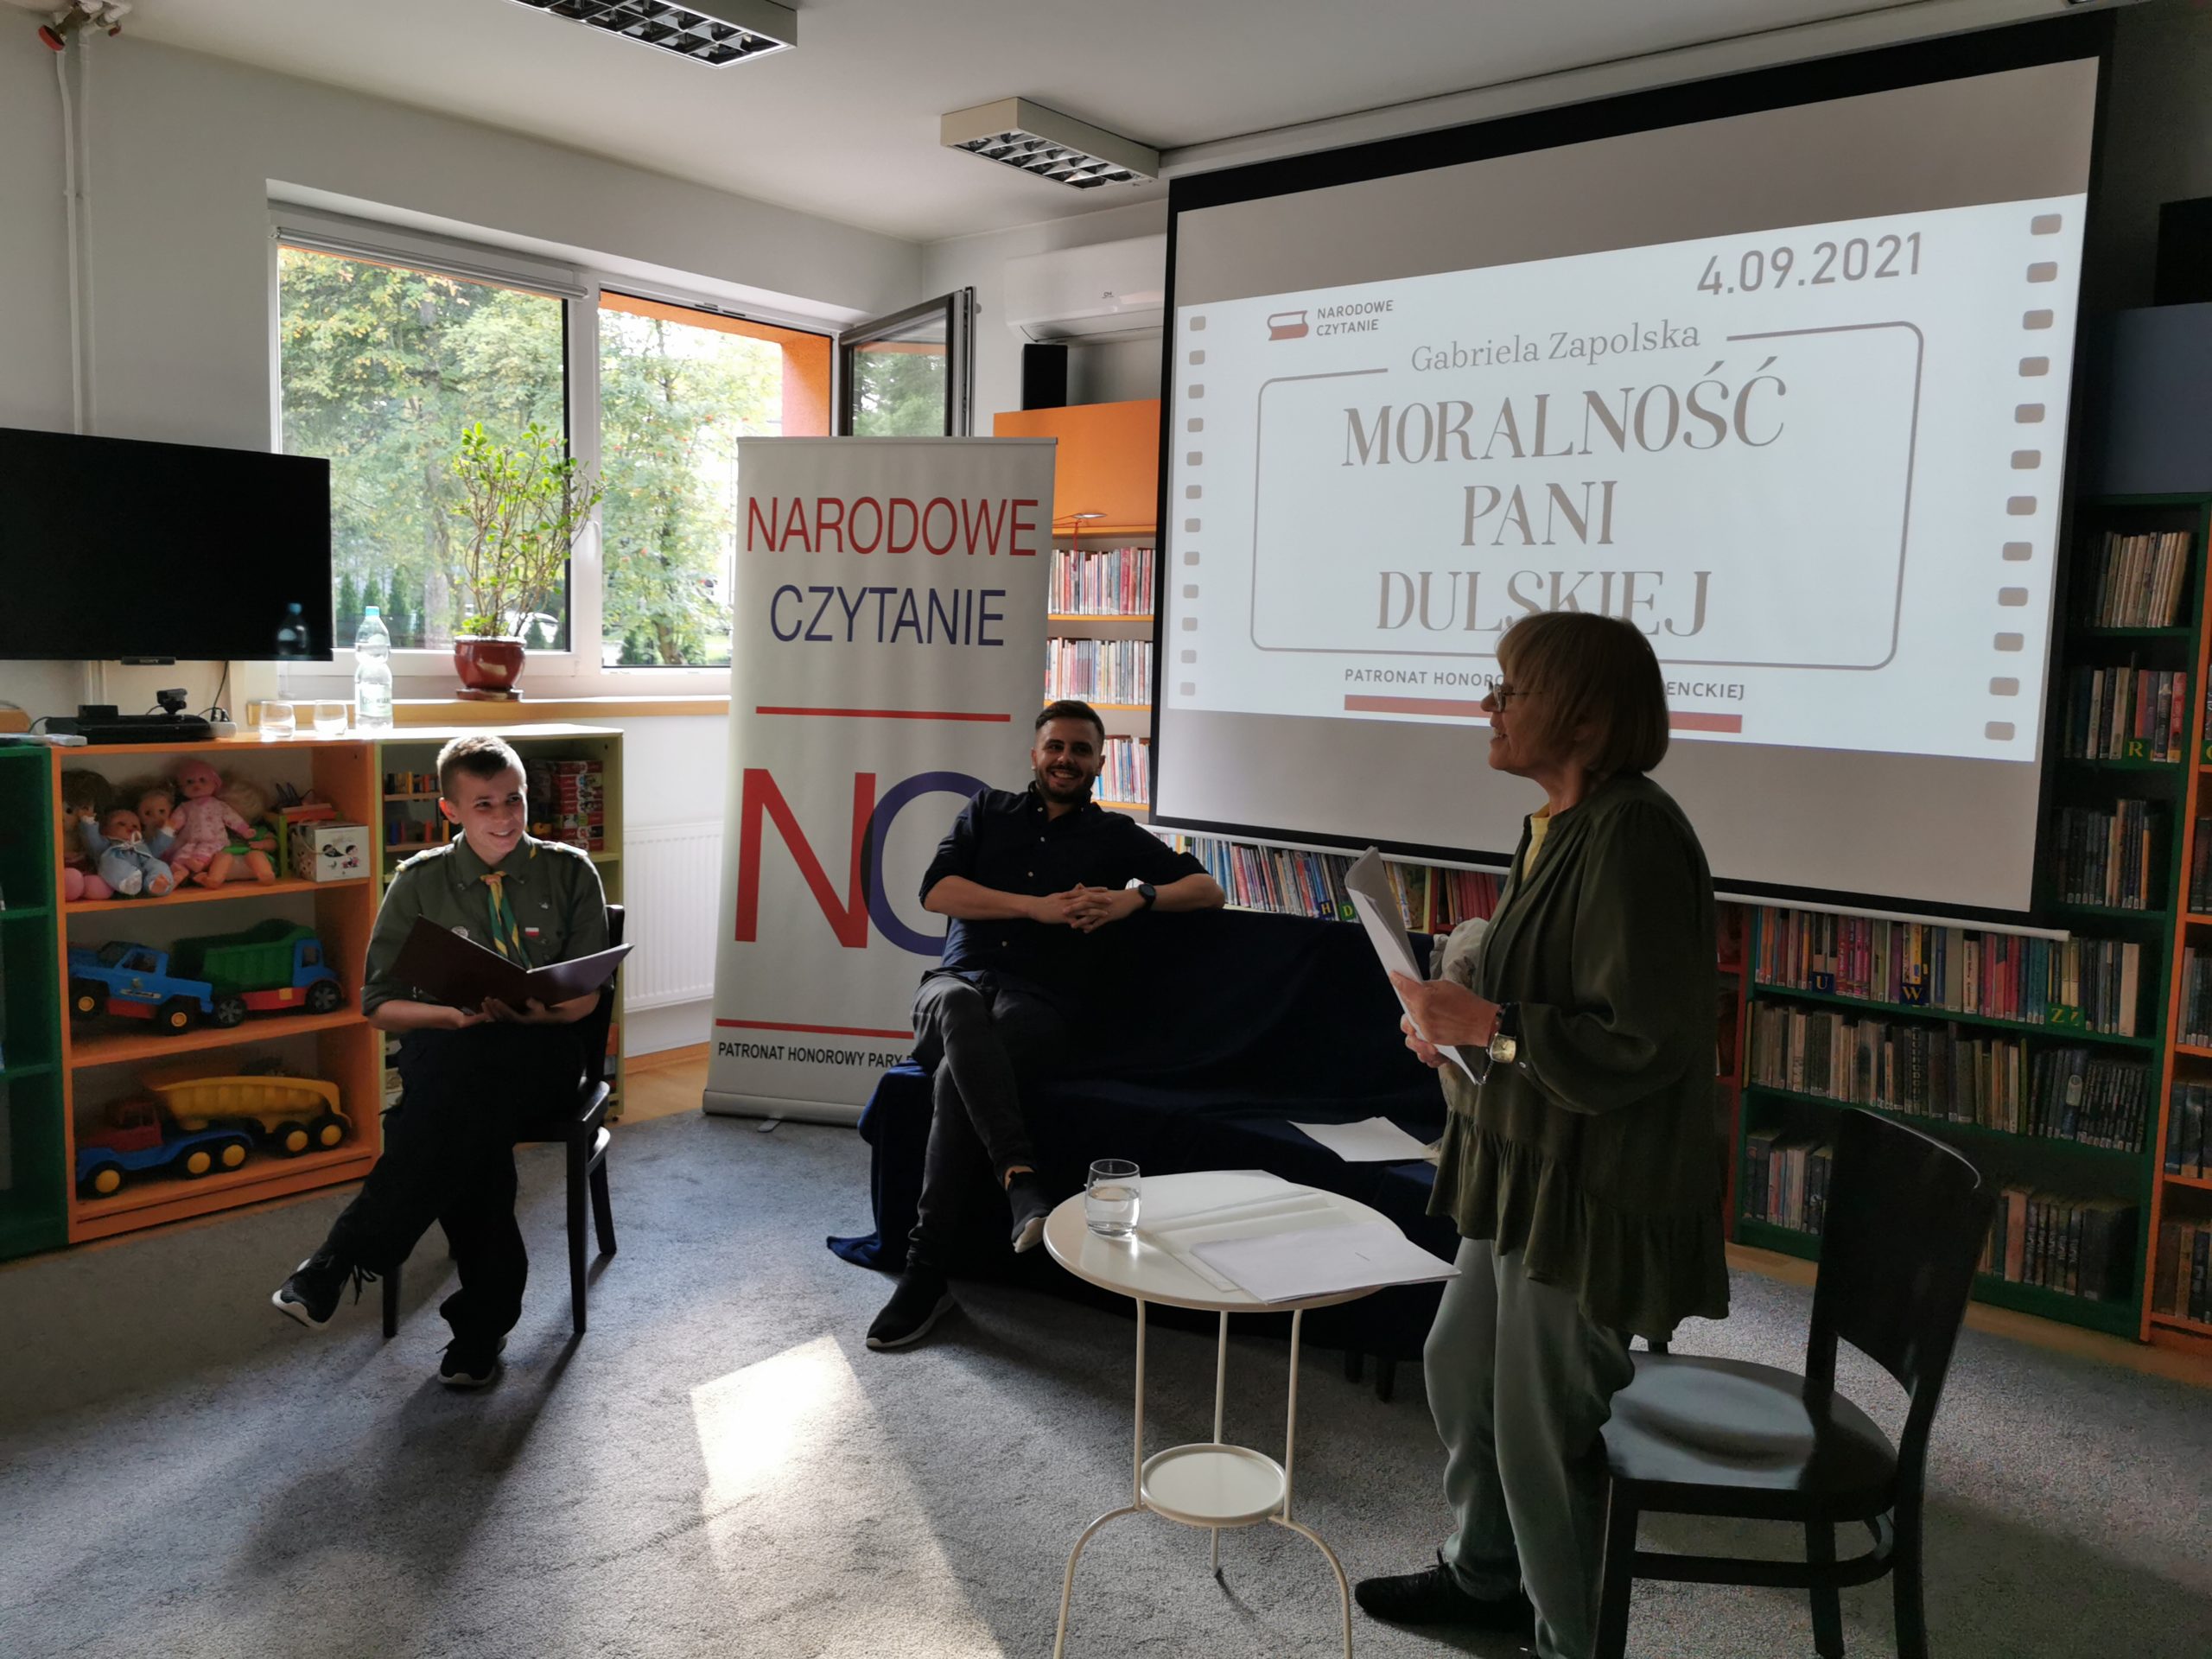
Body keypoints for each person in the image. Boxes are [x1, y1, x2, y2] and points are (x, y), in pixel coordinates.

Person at [1353, 612, 1728, 1659]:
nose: (1489, 704)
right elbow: (1526, 998)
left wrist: (1489, 1027)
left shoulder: (1633, 834)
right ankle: (1484, 1579)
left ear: (1586, 717)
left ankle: (1569, 1638)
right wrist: (1453, 1025)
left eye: (1510, 688)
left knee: (1535, 1423)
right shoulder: (1554, 824)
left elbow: (1642, 1039)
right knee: (1458, 1365)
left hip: (1592, 1183)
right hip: (1528, 1164)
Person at [866, 699, 1226, 1351]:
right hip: (953, 987)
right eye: (1056, 746)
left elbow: (1208, 890)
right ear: (1035, 754)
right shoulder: (986, 811)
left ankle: (925, 1273)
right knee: (958, 1006)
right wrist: (1033, 908)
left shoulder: (1114, 836)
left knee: (954, 1078)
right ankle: (1020, 1178)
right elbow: (936, 891)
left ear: (1099, 763)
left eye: (1081, 750)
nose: (1066, 759)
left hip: (1039, 1005)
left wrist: (1134, 898)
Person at [270, 734, 612, 1389]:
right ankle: (480, 1331)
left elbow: (583, 999)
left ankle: (337, 1262)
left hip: (539, 1053)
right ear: (450, 810)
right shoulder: (419, 881)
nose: (505, 817)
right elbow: (379, 1005)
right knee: (465, 1112)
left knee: (440, 1114)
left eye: (514, 799)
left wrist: (530, 1012)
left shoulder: (570, 870)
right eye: (484, 804)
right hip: (449, 1046)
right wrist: (453, 1016)